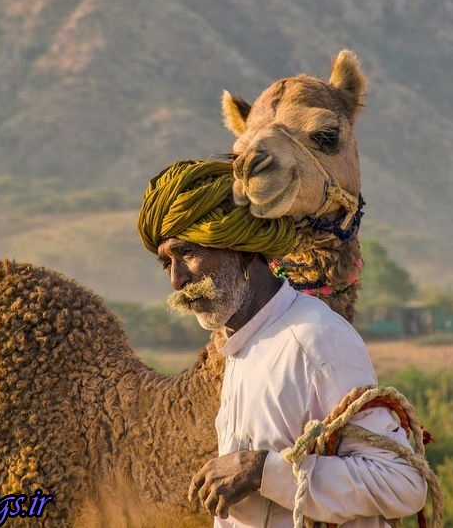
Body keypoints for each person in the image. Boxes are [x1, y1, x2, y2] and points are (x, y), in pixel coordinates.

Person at [138, 160, 427, 527]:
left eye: (189, 254)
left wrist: (262, 470)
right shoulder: (242, 348)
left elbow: (402, 484)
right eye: (167, 263)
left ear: (242, 248)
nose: (177, 280)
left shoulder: (314, 339)